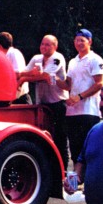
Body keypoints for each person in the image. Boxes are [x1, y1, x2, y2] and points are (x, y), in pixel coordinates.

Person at [56, 28, 103, 167]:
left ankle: (92, 179)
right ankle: (78, 180)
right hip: (72, 112)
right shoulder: (73, 61)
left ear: (89, 42)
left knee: (89, 147)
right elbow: (68, 85)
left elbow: (100, 83)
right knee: (75, 148)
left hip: (89, 111)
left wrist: (80, 97)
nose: (79, 43)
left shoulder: (95, 60)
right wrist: (53, 79)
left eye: (82, 40)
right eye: (77, 40)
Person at [18, 35, 69, 166]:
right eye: (42, 44)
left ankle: (63, 168)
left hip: (58, 102)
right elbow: (22, 72)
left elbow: (45, 75)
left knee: (60, 137)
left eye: (48, 45)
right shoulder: (36, 58)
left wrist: (25, 79)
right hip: (42, 103)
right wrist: (28, 75)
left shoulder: (57, 58)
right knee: (45, 136)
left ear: (55, 47)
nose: (44, 47)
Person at [0, 32, 31, 104]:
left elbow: (18, 73)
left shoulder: (14, 53)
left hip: (20, 98)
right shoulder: (2, 56)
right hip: (9, 98)